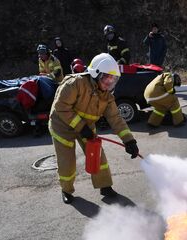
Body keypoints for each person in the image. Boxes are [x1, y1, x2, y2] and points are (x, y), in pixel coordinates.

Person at [48, 53, 140, 204]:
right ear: (96, 73)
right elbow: (61, 108)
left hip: (86, 126)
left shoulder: (107, 96)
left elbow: (115, 119)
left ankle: (104, 186)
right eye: (106, 77)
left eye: (113, 79)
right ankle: (66, 190)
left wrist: (129, 140)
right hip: (62, 125)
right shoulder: (75, 83)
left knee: (98, 156)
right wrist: (81, 127)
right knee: (67, 162)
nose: (109, 82)